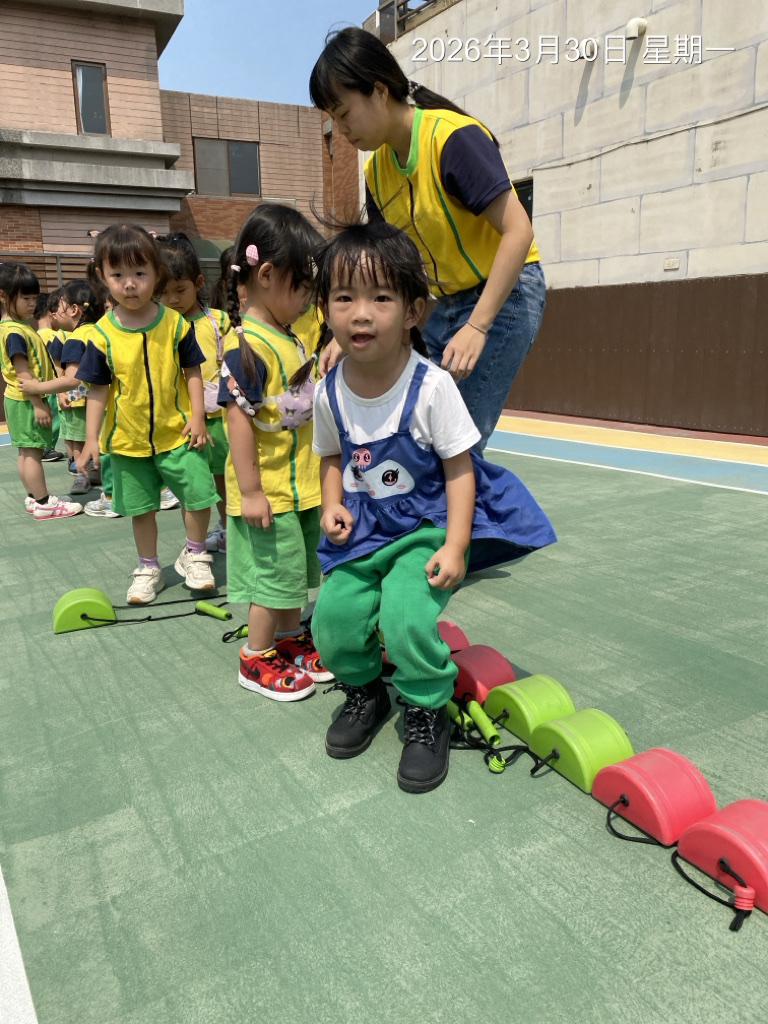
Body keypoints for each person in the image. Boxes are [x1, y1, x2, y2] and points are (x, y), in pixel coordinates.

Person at [310, 222, 556, 793]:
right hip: (362, 529)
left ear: (413, 311)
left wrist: (455, 545)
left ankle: (426, 707)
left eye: (381, 297)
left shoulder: (431, 387)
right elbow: (329, 454)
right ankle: (364, 691)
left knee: (404, 616)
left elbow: (459, 468)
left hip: (423, 526)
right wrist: (330, 505)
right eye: (344, 297)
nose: (361, 314)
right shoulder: (328, 391)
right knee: (334, 619)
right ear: (325, 309)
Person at [309, 27, 545, 452]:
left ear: (379, 90)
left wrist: (477, 326)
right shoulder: (376, 171)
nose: (341, 129)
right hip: (447, 303)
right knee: (413, 423)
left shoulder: (451, 139)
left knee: (456, 442)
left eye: (344, 114)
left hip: (506, 292)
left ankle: (471, 498)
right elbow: (383, 269)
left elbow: (519, 230)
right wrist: (343, 336)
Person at [218, 203, 332, 701]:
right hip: (269, 491)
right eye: (302, 287)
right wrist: (250, 491)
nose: (308, 299)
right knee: (271, 579)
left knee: (293, 573)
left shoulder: (288, 336)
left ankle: (288, 636)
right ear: (265, 275)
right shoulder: (247, 345)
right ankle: (256, 655)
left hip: (298, 486)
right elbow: (237, 419)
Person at [75, 223, 219, 604]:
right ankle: (148, 567)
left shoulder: (175, 324)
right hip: (128, 441)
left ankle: (195, 553)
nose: (130, 284)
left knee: (199, 494)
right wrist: (91, 439)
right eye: (118, 275)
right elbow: (97, 389)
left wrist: (198, 416)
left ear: (156, 273)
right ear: (102, 276)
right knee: (142, 510)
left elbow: (192, 371)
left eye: (140, 273)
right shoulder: (101, 334)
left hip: (178, 433)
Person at [158, 233, 231, 552]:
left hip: (221, 418)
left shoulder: (220, 321)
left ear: (198, 283)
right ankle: (197, 544)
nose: (172, 299)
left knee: (226, 479)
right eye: (163, 292)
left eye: (180, 290)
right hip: (184, 422)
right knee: (195, 485)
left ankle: (229, 528)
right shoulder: (160, 328)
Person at [0, 262, 83, 519]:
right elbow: (23, 373)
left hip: (16, 400)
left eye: (34, 298)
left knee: (26, 452)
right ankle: (44, 502)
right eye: (25, 298)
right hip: (27, 400)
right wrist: (38, 403)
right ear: (3, 296)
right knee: (33, 452)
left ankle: (34, 497)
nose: (32, 303)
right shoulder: (15, 331)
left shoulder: (13, 326)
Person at [20, 280, 104, 496]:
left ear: (74, 310)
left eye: (59, 306)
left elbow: (71, 379)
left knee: (77, 437)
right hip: (108, 401)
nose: (55, 311)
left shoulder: (76, 338)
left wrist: (37, 387)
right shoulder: (103, 331)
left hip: (84, 399)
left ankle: (83, 475)